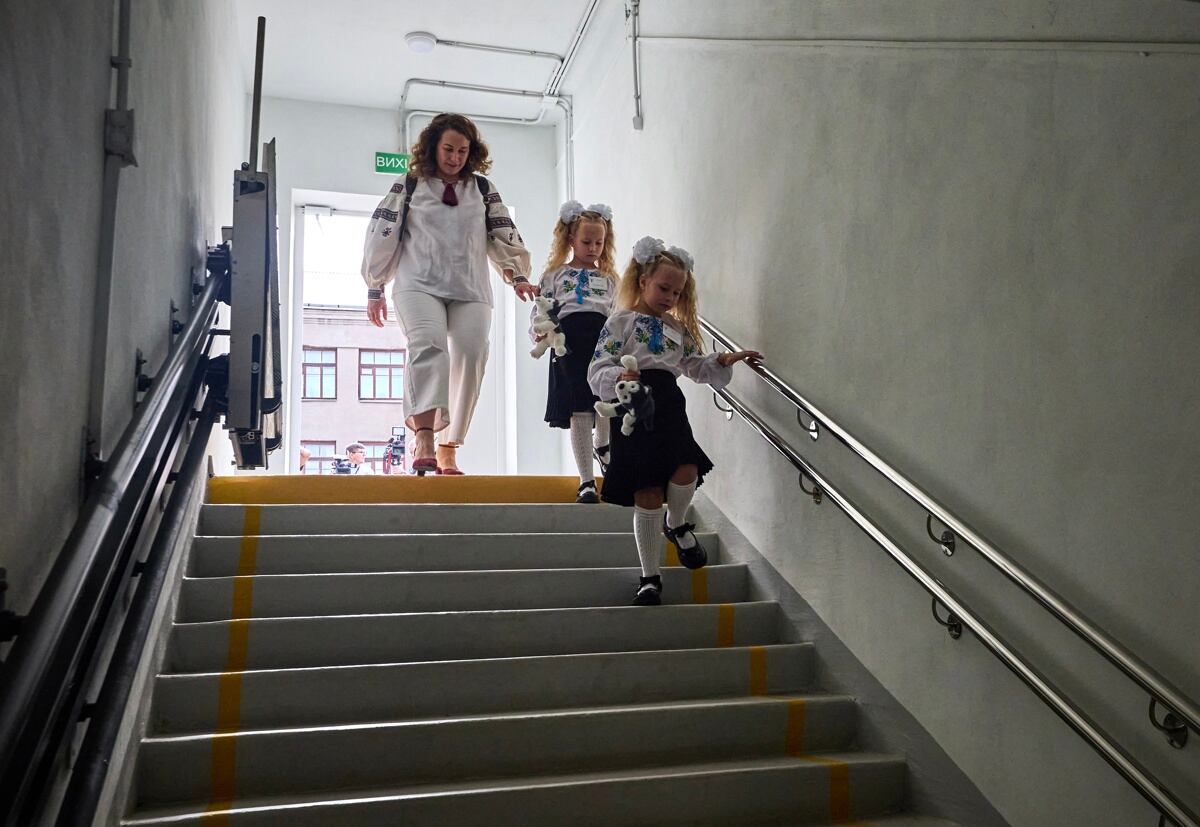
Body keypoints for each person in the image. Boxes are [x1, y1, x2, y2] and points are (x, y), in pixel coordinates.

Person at [588, 237, 762, 606]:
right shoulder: (619, 322)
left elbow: (694, 366)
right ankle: (650, 578)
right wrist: (620, 378)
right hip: (634, 406)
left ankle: (676, 523)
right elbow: (596, 370)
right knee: (647, 491)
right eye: (663, 288)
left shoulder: (676, 328)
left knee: (686, 467)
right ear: (642, 280)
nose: (670, 296)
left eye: (677, 292)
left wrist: (722, 361)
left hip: (668, 403)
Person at [361, 113, 535, 475]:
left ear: (471, 152)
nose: (454, 157)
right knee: (428, 345)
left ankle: (449, 446)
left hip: (470, 287)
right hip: (418, 284)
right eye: (448, 149)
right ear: (433, 147)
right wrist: (375, 286)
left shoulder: (482, 189)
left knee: (471, 354)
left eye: (462, 150)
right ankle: (424, 435)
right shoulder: (411, 184)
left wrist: (517, 274)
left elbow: (503, 233)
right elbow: (383, 232)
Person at [533, 200, 619, 503]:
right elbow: (541, 309)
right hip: (569, 345)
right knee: (580, 409)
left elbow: (618, 314)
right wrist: (540, 331)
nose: (593, 247)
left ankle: (603, 445)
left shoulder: (610, 278)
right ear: (571, 239)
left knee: (604, 401)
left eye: (599, 242)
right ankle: (586, 480)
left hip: (602, 343)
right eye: (586, 241)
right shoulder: (555, 275)